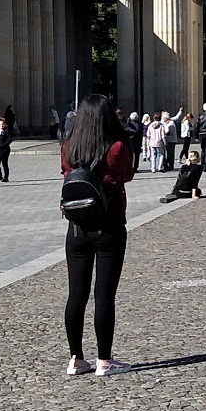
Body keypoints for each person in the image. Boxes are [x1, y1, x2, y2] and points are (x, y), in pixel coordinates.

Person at [60, 95, 136, 376]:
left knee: (75, 295)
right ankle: (104, 359)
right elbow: (127, 175)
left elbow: (65, 174)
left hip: (77, 229)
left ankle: (76, 358)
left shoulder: (69, 147)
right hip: (110, 226)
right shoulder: (116, 147)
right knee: (104, 295)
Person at [0, 107, 16, 182]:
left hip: (4, 150)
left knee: (4, 164)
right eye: (0, 124)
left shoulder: (7, 131)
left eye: (2, 124)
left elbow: (9, 139)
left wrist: (4, 145)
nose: (1, 125)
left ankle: (6, 177)